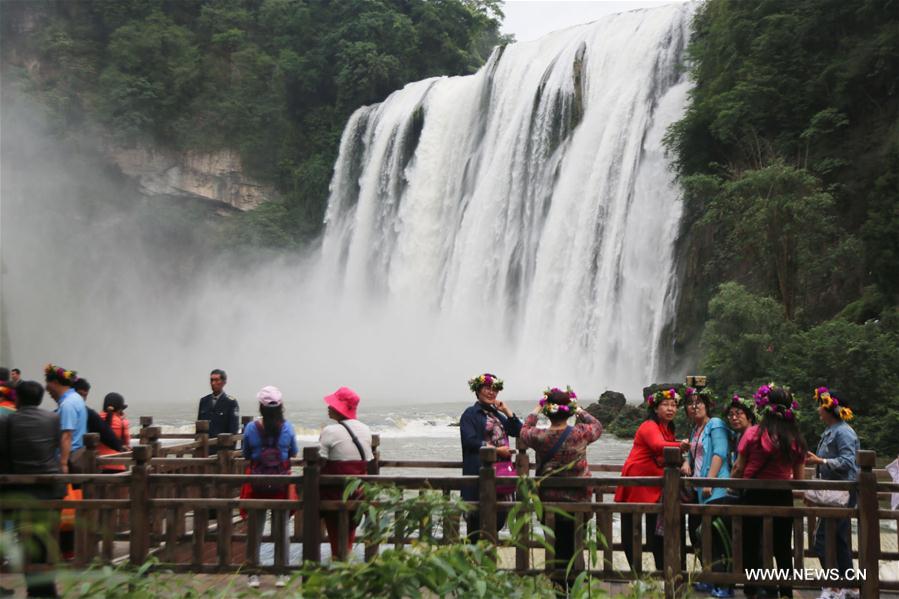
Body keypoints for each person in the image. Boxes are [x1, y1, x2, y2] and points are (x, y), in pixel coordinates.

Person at [732, 384, 806, 599]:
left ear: (763, 407)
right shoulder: (796, 439)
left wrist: (732, 482)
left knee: (751, 542)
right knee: (782, 546)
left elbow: (738, 467)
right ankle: (785, 591)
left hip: (753, 494)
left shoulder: (753, 433)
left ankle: (751, 589)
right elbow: (799, 481)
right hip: (782, 496)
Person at [520, 386, 602, 578]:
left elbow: (523, 429)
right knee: (575, 546)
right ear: (569, 411)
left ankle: (558, 587)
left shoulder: (538, 437)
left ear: (548, 412)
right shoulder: (581, 433)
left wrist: (538, 408)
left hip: (549, 504)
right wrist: (579, 409)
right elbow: (597, 425)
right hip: (580, 503)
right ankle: (575, 586)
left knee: (556, 546)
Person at [0, 380, 65, 597]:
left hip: (19, 490)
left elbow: (6, 454)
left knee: (27, 542)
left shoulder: (8, 421)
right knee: (45, 540)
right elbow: (55, 448)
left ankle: (35, 589)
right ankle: (46, 589)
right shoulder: (53, 418)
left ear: (17, 398)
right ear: (39, 399)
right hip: (49, 489)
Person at [614, 387, 688, 571]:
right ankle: (635, 571)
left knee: (655, 529)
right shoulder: (649, 425)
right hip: (637, 480)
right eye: (665, 405)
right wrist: (682, 446)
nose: (670, 408)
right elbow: (658, 446)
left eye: (673, 405)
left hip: (654, 482)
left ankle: (660, 570)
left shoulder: (668, 428)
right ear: (655, 409)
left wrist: (683, 458)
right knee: (631, 527)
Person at [805, 387, 859, 599]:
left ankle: (833, 586)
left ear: (830, 409)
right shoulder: (832, 431)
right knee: (839, 541)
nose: (819, 409)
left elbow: (848, 462)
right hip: (835, 492)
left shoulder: (843, 432)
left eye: (821, 405)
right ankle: (850, 586)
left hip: (841, 493)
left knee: (821, 540)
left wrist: (821, 461)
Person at [241, 386, 297, 588]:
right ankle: (281, 572)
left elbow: (245, 453)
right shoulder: (288, 428)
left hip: (257, 483)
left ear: (261, 407)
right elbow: (294, 451)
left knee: (255, 528)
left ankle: (253, 574)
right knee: (281, 527)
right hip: (281, 483)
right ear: (281, 406)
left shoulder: (250, 428)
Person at [459, 373, 522, 542]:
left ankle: (488, 564)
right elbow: (470, 441)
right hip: (479, 476)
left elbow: (518, 431)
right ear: (477, 391)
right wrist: (496, 450)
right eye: (487, 388)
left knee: (497, 521)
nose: (491, 392)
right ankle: (474, 563)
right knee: (477, 524)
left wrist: (506, 410)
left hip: (500, 476)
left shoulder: (497, 414)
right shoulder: (470, 414)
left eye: (494, 389)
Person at [683, 388, 733, 598]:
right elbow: (694, 454)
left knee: (718, 537)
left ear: (708, 405)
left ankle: (725, 584)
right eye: (691, 403)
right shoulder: (696, 429)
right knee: (698, 534)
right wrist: (686, 461)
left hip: (716, 487)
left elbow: (720, 452)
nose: (695, 406)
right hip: (699, 490)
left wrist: (709, 480)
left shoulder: (716, 424)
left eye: (699, 402)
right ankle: (708, 577)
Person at [319, 386, 372, 558]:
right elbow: (368, 461)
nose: (328, 406)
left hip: (333, 496)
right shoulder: (365, 430)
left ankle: (340, 564)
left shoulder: (329, 431)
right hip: (357, 494)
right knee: (347, 535)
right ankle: (345, 563)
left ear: (338, 408)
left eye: (331, 404)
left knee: (336, 538)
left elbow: (319, 461)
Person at [44, 364, 87, 474]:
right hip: (75, 456)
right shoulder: (76, 398)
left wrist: (63, 464)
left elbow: (67, 435)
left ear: (55, 382)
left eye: (48, 387)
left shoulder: (68, 404)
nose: (48, 391)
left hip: (68, 459)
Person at [73, 378, 125, 454]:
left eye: (85, 395)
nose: (82, 399)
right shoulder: (120, 422)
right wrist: (120, 447)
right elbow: (105, 432)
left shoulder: (92, 415)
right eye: (80, 394)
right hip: (79, 454)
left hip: (80, 454)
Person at [197, 369, 240, 444]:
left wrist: (230, 449)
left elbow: (233, 429)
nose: (213, 383)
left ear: (224, 382)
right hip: (205, 447)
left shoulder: (231, 402)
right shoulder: (204, 401)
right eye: (211, 380)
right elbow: (199, 427)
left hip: (222, 447)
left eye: (217, 380)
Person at [97, 393, 131, 473]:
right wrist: (122, 420)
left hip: (97, 465)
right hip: (117, 465)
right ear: (119, 409)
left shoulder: (96, 419)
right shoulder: (122, 423)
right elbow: (126, 443)